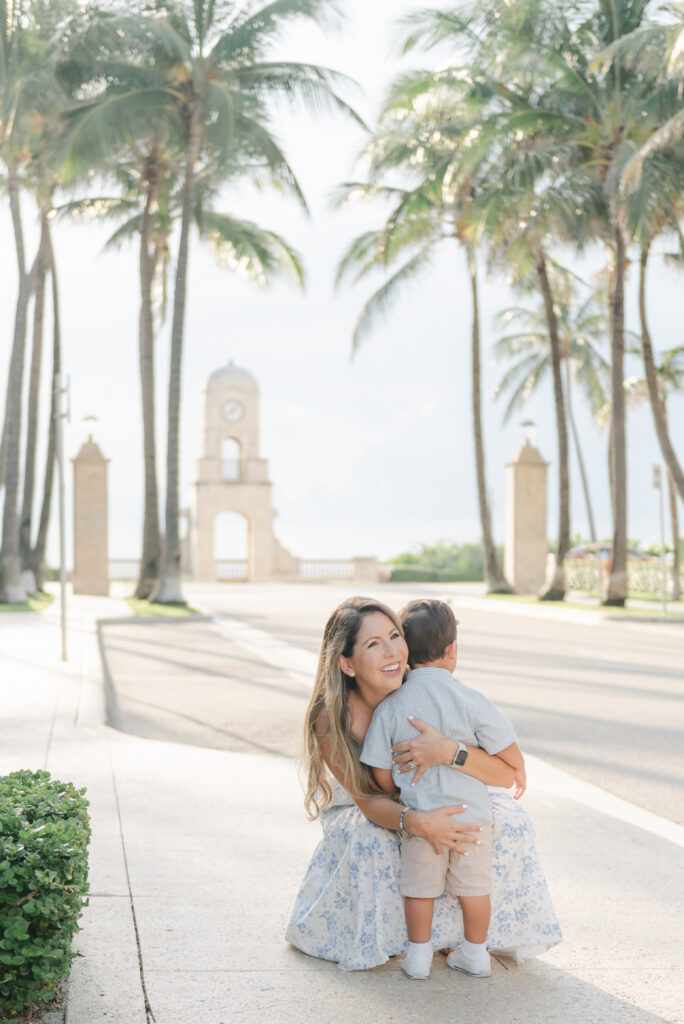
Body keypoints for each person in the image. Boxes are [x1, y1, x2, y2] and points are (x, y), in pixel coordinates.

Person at [286, 596, 562, 972]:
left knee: (504, 823)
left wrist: (450, 752)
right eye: (373, 644)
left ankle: (460, 937)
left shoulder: (433, 691)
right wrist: (418, 821)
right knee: (378, 840)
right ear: (347, 664)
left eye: (395, 636)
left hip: (438, 790)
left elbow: (502, 775)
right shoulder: (332, 716)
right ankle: (406, 939)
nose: (393, 652)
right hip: (370, 808)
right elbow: (370, 798)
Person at [361, 598, 527, 980]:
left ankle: (418, 958)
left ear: (406, 650)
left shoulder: (391, 705)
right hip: (472, 821)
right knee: (474, 889)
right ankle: (475, 953)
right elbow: (506, 748)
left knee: (419, 889)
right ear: (451, 649)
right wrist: (517, 769)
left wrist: (398, 790)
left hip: (423, 815)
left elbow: (378, 770)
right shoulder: (471, 700)